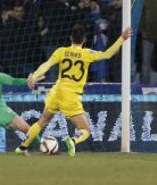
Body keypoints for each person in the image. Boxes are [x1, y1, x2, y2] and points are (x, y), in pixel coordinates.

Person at [16, 24, 132, 156]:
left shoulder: (61, 51)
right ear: (84, 40)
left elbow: (47, 65)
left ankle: (22, 147)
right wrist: (122, 38)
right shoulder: (87, 53)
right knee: (85, 130)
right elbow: (107, 54)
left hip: (56, 91)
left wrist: (35, 76)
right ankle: (73, 140)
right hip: (71, 95)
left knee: (42, 121)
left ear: (70, 38)